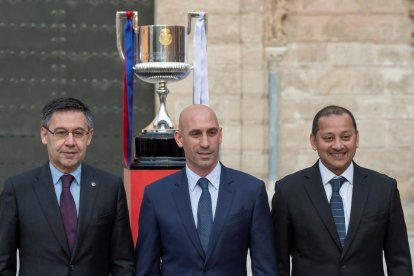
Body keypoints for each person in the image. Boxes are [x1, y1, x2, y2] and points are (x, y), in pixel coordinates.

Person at [135, 104, 278, 275]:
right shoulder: (157, 195)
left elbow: (265, 268)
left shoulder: (250, 191)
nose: (205, 143)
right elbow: (146, 268)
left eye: (211, 133)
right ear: (179, 139)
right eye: (195, 134)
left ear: (220, 135)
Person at [271, 105, 413, 276]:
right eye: (328, 138)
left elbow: (399, 261)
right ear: (313, 141)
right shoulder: (289, 191)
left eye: (346, 137)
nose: (338, 145)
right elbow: (278, 263)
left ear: (357, 138)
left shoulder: (384, 189)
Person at [0, 97, 135, 275]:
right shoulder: (18, 189)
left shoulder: (110, 187)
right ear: (44, 135)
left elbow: (123, 262)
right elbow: (3, 263)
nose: (70, 142)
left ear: (89, 136)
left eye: (78, 133)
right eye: (61, 132)